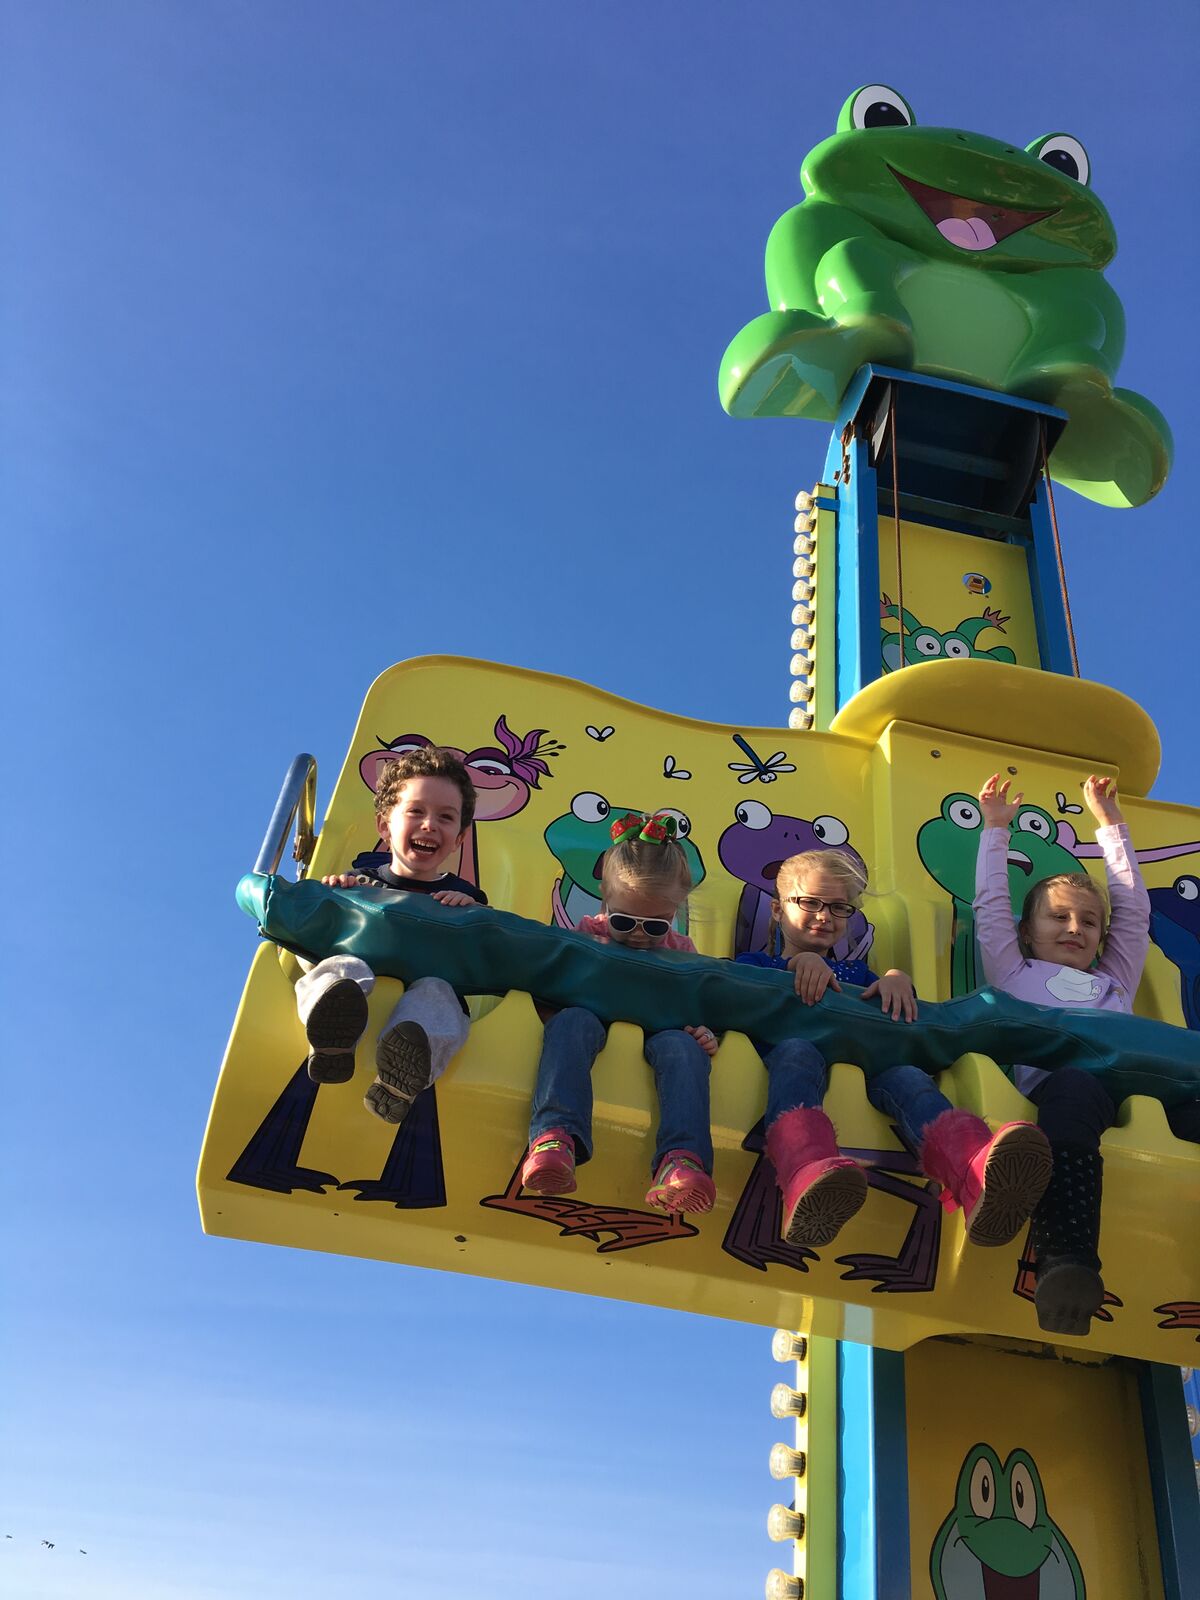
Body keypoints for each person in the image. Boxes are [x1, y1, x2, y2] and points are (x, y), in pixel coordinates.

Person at [975, 771, 1200, 1335]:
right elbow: (990, 906)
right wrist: (995, 831)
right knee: (1075, 1089)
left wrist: (1112, 827)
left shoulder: (1114, 980)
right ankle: (1066, 1261)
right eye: (1059, 917)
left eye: (1089, 922)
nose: (1076, 928)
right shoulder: (1014, 971)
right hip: (1073, 1090)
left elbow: (1135, 914)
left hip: (1144, 1084)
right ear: (1027, 932)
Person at [737, 849, 1052, 1249]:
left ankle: (974, 1173)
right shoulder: (755, 964)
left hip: (871, 1063)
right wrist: (794, 967)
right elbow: (741, 999)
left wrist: (897, 980)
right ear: (778, 910)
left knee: (910, 1078)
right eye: (810, 903)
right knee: (797, 1053)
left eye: (838, 907)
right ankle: (805, 1172)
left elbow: (894, 1021)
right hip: (796, 1058)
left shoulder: (856, 972)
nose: (824, 915)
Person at [521, 811, 719, 1214]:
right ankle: (554, 1137)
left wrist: (703, 1033)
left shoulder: (681, 953)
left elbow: (700, 1007)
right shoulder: (586, 937)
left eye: (657, 925)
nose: (639, 935)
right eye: (625, 920)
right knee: (571, 1022)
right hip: (593, 1019)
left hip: (659, 1032)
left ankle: (682, 1160)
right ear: (605, 899)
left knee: (684, 1050)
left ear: (676, 914)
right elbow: (550, 988)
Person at [294, 746, 486, 1123]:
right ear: (385, 826)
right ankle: (332, 1029)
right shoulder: (361, 881)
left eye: (446, 818)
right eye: (416, 811)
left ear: (460, 838)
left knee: (438, 994)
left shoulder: (464, 896)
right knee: (340, 967)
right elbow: (312, 933)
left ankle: (404, 1071)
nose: (430, 824)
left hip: (425, 983)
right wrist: (334, 894)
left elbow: (485, 950)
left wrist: (473, 913)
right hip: (362, 968)